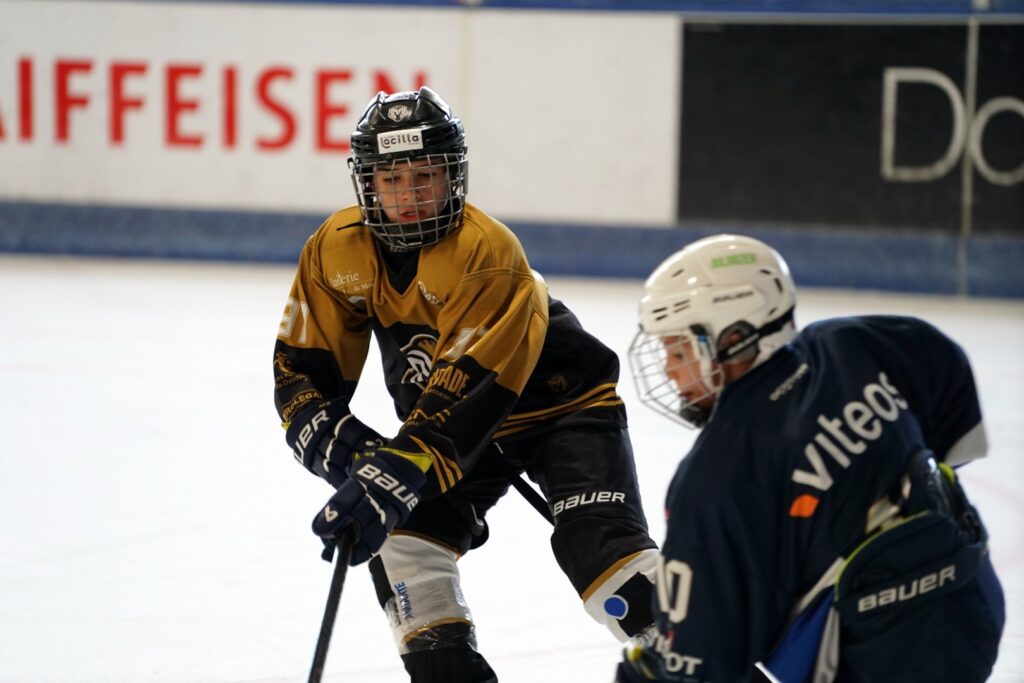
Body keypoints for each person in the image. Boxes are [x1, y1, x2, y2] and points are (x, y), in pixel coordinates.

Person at [272, 86, 659, 682]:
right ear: (366, 182)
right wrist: (347, 452)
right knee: (404, 550)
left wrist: (388, 475)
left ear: (452, 175)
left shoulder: (487, 251)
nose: (408, 195)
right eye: (391, 179)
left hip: (561, 411)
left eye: (424, 176)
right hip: (446, 429)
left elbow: (466, 394)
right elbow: (303, 372)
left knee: (608, 565)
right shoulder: (335, 251)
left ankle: (703, 657)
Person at [615, 234, 1005, 682]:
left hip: (869, 665)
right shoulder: (859, 344)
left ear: (735, 338)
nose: (669, 370)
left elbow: (696, 661)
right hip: (974, 610)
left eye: (679, 350)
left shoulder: (715, 475)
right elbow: (950, 389)